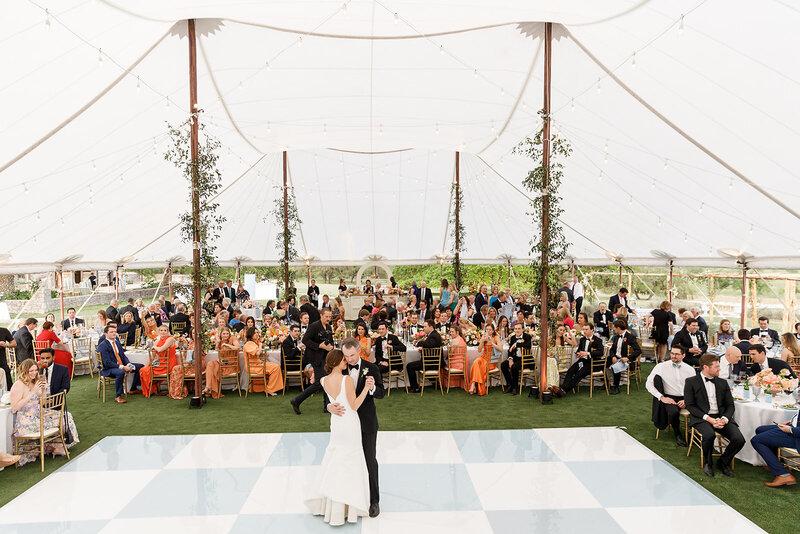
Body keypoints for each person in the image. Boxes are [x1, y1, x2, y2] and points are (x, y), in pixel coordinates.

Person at [315, 340, 384, 520]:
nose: (349, 359)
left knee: (369, 461)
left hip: (366, 422)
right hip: (346, 424)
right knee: (347, 462)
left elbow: (381, 393)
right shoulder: (341, 369)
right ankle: (347, 502)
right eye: (346, 356)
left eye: (352, 355)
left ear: (359, 351)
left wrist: (372, 387)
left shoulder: (371, 368)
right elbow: (328, 397)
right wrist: (329, 407)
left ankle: (373, 501)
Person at [683, 354, 746, 477]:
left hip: (721, 417)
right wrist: (709, 419)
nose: (719, 369)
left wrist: (724, 419)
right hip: (702, 417)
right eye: (716, 367)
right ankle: (708, 463)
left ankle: (723, 462)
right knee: (709, 435)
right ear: (705, 367)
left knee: (739, 439)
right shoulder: (691, 382)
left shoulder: (723, 382)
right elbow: (690, 406)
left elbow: (730, 405)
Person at [10, 359, 79, 466]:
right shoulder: (18, 385)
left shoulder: (35, 382)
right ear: (24, 371)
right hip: (26, 420)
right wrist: (32, 392)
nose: (34, 373)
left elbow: (42, 402)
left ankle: (58, 445)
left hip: (39, 413)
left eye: (35, 370)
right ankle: (54, 445)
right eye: (31, 371)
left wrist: (44, 390)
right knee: (54, 422)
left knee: (66, 416)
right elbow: (14, 408)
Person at [646, 345, 696, 447]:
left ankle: (696, 431)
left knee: (702, 407)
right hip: (669, 397)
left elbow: (695, 388)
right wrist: (661, 397)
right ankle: (678, 434)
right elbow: (648, 384)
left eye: (677, 354)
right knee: (673, 412)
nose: (673, 356)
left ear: (683, 355)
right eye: (672, 353)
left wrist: (686, 400)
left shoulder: (690, 369)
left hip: (686, 397)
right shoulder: (661, 366)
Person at [291, 308, 335, 414]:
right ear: (321, 315)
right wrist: (319, 346)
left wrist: (331, 347)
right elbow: (305, 340)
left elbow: (330, 341)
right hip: (315, 357)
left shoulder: (329, 327)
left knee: (326, 381)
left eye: (330, 317)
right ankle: (296, 400)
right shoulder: (314, 326)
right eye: (326, 316)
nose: (328, 318)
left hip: (325, 357)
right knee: (319, 383)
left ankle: (327, 406)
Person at [750, 409, 800, 487]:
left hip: (797, 437)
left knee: (756, 440)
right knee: (760, 430)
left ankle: (783, 474)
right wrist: (791, 422)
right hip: (795, 428)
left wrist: (790, 429)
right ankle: (776, 464)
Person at [98, 325, 144, 403]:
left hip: (120, 365)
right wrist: (123, 367)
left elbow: (123, 356)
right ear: (105, 334)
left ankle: (133, 389)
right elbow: (107, 363)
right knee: (120, 372)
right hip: (108, 369)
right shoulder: (103, 345)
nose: (114, 333)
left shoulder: (116, 342)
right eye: (111, 332)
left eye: (115, 332)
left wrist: (128, 364)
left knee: (140, 367)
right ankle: (118, 396)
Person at [561, 323, 604, 393]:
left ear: (592, 330)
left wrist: (588, 353)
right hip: (582, 361)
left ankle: (564, 390)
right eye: (583, 329)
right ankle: (563, 388)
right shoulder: (582, 339)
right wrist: (578, 353)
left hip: (592, 363)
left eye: (586, 329)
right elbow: (579, 350)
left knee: (579, 374)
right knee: (570, 371)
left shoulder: (598, 340)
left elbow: (601, 352)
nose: (584, 331)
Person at [139, 325, 178, 398]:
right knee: (143, 370)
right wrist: (147, 365)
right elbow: (153, 356)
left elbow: (160, 349)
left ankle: (152, 389)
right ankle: (151, 390)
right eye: (161, 330)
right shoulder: (157, 341)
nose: (163, 332)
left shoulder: (170, 339)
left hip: (169, 363)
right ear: (159, 332)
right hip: (160, 363)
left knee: (146, 371)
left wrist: (154, 346)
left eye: (165, 330)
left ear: (168, 332)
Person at [405, 320, 443, 393]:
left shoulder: (434, 335)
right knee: (411, 365)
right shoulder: (433, 334)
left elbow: (430, 345)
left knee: (409, 366)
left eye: (425, 326)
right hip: (431, 361)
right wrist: (423, 349)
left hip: (431, 363)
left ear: (431, 327)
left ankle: (415, 388)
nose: (423, 328)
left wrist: (419, 343)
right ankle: (435, 383)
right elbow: (431, 347)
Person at [243, 327, 283, 396]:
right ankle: (269, 389)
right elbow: (257, 353)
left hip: (258, 364)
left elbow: (259, 354)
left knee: (276, 366)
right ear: (251, 334)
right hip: (253, 367)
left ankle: (268, 388)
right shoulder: (248, 344)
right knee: (275, 367)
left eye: (257, 332)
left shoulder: (254, 343)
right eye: (255, 333)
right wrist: (260, 345)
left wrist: (263, 351)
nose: (257, 334)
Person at [607, 319, 642, 395]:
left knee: (615, 367)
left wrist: (628, 358)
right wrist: (613, 356)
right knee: (604, 362)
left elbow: (638, 350)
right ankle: (607, 383)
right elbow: (612, 349)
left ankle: (616, 387)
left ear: (618, 328)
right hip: (616, 357)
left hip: (626, 360)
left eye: (614, 328)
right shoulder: (616, 337)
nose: (613, 329)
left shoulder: (630, 337)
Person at [468, 323, 502, 396]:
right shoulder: (484, 336)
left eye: (490, 330)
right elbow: (479, 350)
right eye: (487, 329)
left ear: (493, 330)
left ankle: (473, 385)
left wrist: (492, 343)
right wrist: (482, 341)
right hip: (483, 357)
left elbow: (501, 349)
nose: (488, 331)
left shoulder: (496, 337)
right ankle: (473, 384)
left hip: (491, 360)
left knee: (479, 366)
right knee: (476, 362)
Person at [501, 322, 532, 395]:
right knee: (503, 365)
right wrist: (510, 359)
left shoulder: (527, 336)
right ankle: (510, 384)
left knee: (514, 367)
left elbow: (528, 346)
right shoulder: (513, 337)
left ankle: (515, 387)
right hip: (516, 358)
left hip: (525, 359)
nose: (517, 330)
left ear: (522, 329)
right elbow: (510, 350)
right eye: (515, 329)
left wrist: (516, 344)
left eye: (519, 329)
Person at [0, 325, 15, 390]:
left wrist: (6, 345)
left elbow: (14, 343)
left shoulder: (4, 330)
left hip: (2, 361)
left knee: (8, 383)